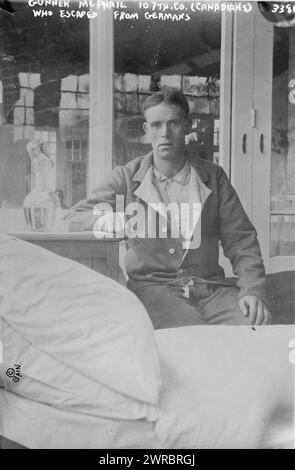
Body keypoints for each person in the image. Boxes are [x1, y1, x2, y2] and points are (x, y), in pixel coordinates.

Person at [68, 88, 271, 328]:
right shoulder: (125, 178)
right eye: (156, 125)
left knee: (253, 328)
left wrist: (251, 290)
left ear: (187, 125)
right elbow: (74, 219)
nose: (164, 133)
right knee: (188, 339)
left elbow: (241, 240)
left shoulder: (212, 177)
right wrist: (114, 221)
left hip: (211, 288)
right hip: (155, 290)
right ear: (146, 131)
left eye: (173, 123)